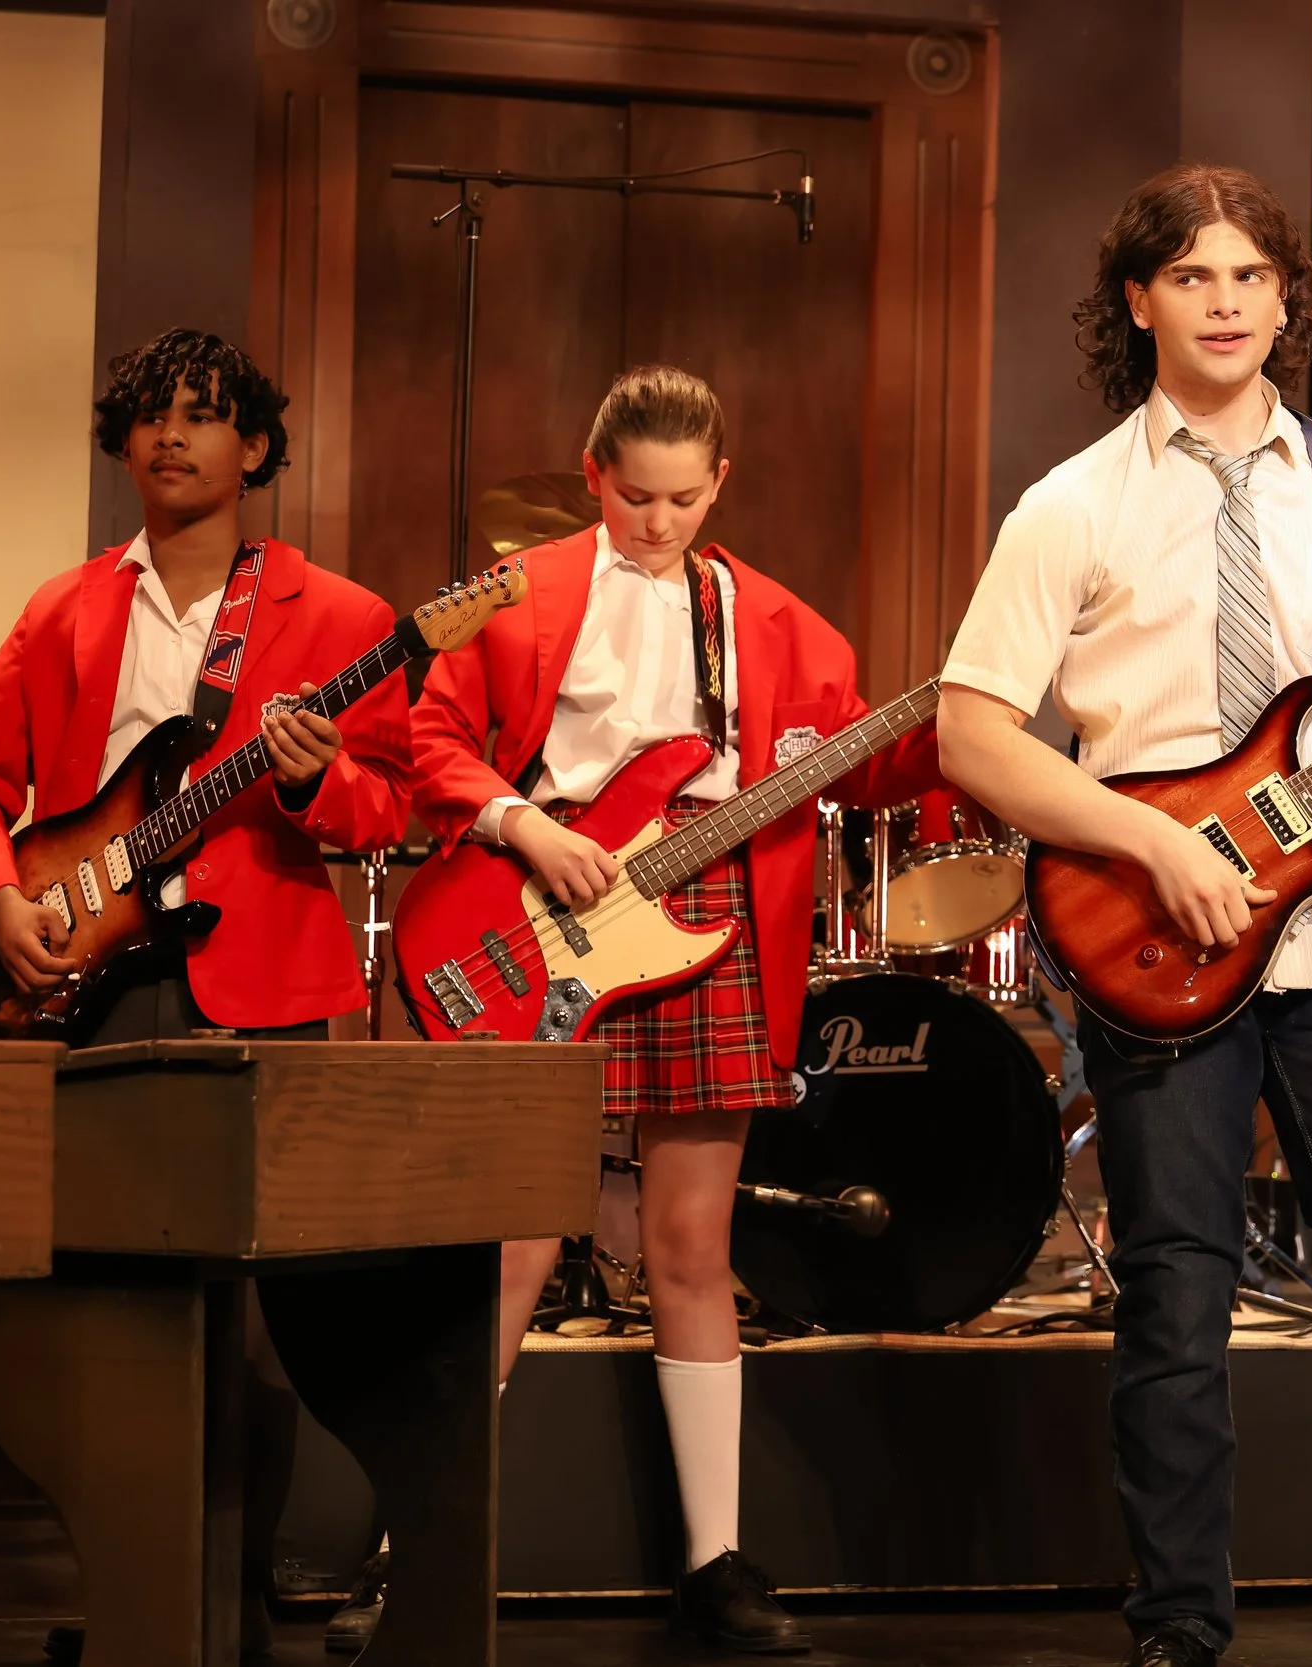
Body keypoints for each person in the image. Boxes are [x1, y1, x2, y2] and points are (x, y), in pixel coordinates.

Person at [935, 165, 1312, 1667]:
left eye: (1252, 277)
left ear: (1289, 300)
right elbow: (971, 730)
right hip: (1153, 929)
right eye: (1195, 276)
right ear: (1138, 299)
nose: (1227, 302)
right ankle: (1181, 1622)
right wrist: (1150, 838)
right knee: (1178, 1290)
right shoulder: (1068, 504)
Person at [409, 363, 935, 1655]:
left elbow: (873, 768)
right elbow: (430, 742)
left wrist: (974, 712)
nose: (658, 521)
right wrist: (526, 825)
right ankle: (417, 1552)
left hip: (715, 931)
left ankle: (717, 1563)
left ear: (721, 484)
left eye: (683, 498)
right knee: (515, 1243)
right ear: (594, 478)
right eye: (635, 495)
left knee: (696, 1247)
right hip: (557, 901)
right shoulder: (519, 595)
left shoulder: (785, 627)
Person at [0, 327, 413, 1662]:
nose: (172, 433)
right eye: (149, 413)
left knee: (252, 1320)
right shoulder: (63, 607)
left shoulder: (346, 617)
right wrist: (2, 902)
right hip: (89, 985)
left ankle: (239, 1603)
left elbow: (393, 805)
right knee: (106, 1304)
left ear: (254, 445)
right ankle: (136, 1597)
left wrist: (316, 780)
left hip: (260, 988)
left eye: (204, 414)